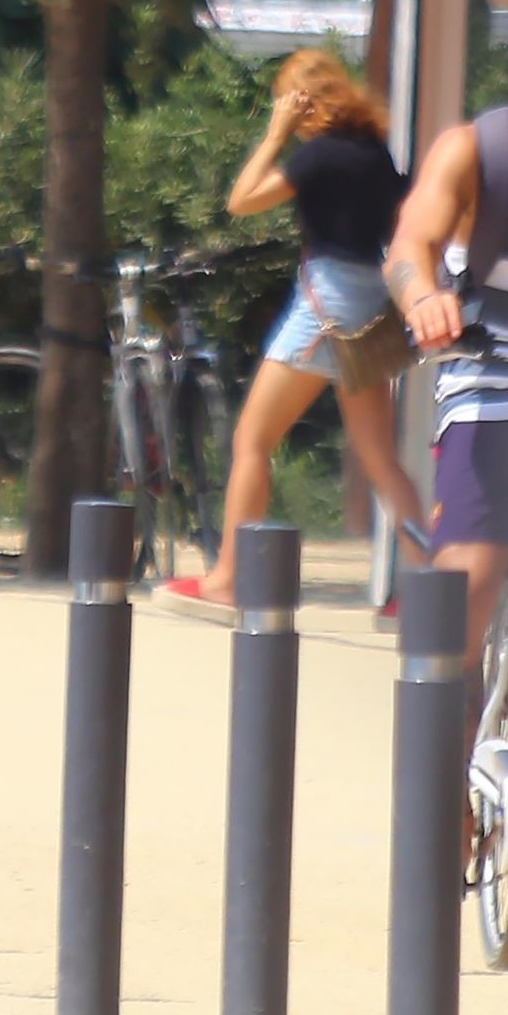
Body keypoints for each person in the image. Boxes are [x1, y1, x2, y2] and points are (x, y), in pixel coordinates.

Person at [383, 0, 508, 847]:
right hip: (495, 384)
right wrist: (422, 296)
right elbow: (410, 243)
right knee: (467, 591)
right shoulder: (478, 151)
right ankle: (442, 796)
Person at [167, 49, 427, 607]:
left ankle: (228, 579)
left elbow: (241, 200)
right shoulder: (373, 151)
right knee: (380, 457)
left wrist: (274, 134)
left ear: (303, 101)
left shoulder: (319, 155)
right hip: (371, 302)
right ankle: (427, 589)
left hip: (326, 305)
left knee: (252, 440)